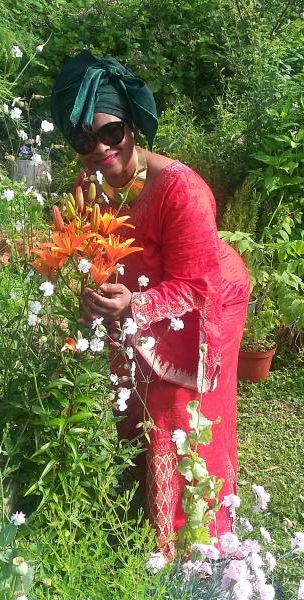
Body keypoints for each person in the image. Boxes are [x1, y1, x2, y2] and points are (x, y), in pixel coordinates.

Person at [50, 50, 250, 557]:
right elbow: (90, 252)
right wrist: (88, 291)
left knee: (176, 409)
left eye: (110, 132)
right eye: (83, 140)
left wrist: (133, 306)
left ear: (133, 126)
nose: (98, 148)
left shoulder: (182, 193)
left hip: (208, 298)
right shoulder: (89, 187)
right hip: (137, 302)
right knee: (132, 386)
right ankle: (143, 493)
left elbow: (196, 286)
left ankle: (188, 539)